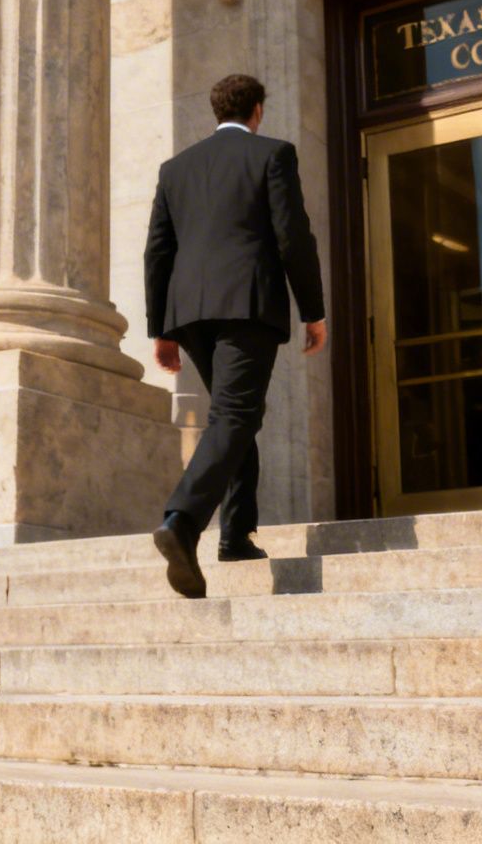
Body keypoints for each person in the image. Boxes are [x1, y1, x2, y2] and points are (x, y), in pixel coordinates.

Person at [143, 74, 326, 599]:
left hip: (189, 312)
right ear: (258, 111)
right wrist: (313, 311)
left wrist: (161, 328)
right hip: (246, 303)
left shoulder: (175, 169)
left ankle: (236, 534)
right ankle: (182, 520)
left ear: (214, 109)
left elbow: (157, 251)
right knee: (236, 415)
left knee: (233, 411)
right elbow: (293, 236)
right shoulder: (274, 154)